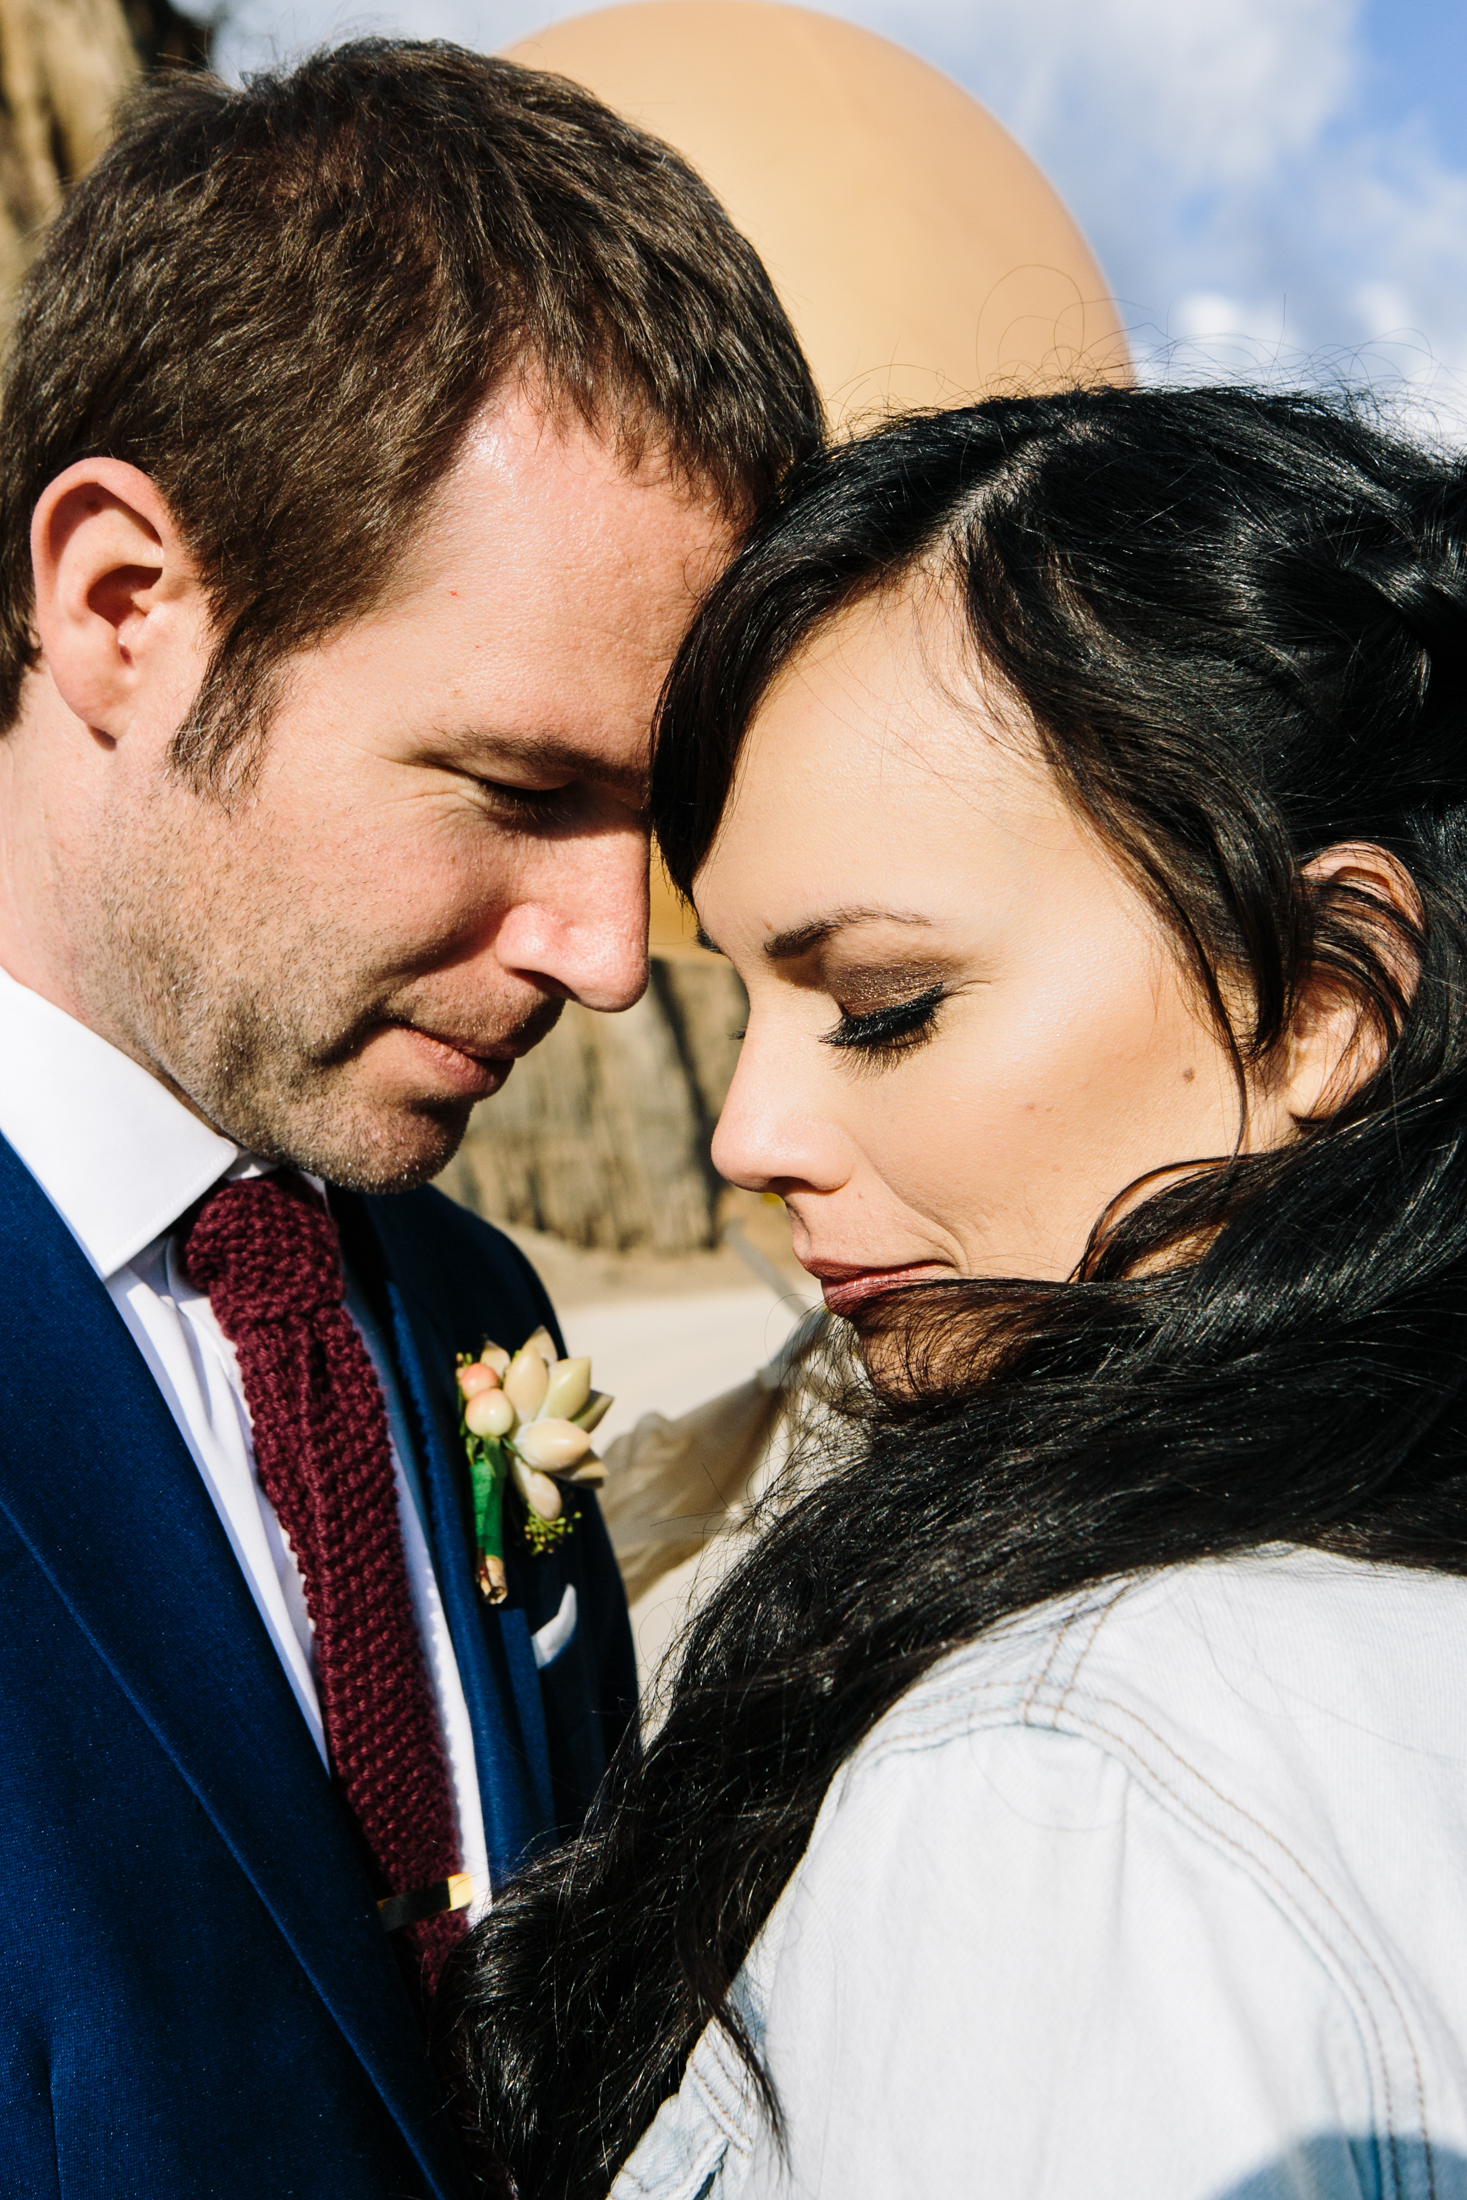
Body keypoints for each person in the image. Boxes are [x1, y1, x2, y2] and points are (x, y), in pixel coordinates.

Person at [442, 387, 1467, 2199]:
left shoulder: (1074, 1773)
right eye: (749, 1003)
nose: (751, 1134)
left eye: (888, 1004)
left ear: (1325, 994)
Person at [0, 38, 819, 2200]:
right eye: (523, 788)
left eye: (651, 825)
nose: (609, 952)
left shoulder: (468, 1304)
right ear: (122, 606)